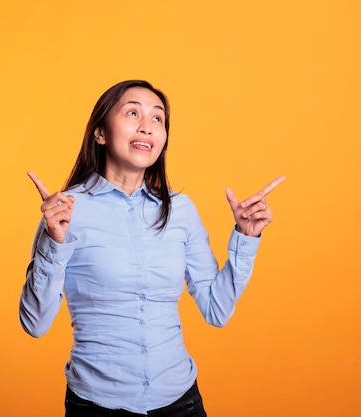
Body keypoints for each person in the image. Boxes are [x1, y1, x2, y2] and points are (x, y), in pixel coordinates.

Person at [19, 80, 285, 417]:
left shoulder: (181, 209)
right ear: (100, 133)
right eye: (133, 113)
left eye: (158, 119)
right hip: (97, 405)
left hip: (181, 403)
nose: (147, 125)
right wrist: (52, 245)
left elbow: (217, 310)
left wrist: (245, 238)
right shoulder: (66, 212)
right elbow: (35, 324)